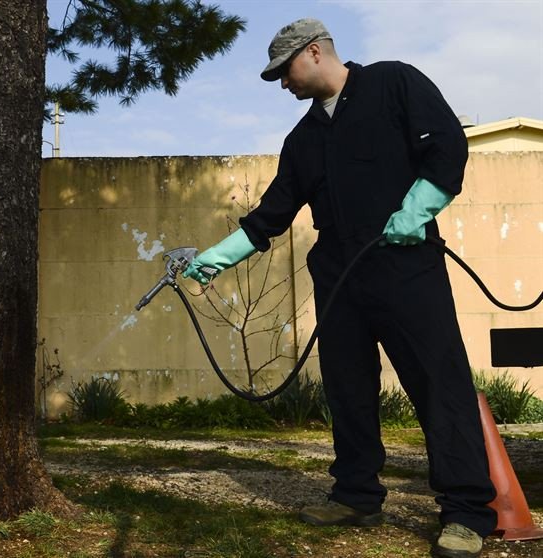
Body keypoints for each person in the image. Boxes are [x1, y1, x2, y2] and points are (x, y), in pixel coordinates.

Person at [184, 18, 497, 558]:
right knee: (347, 390)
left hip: (406, 265)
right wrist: (214, 260)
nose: (283, 85)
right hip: (338, 275)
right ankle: (356, 495)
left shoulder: (395, 83)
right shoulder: (302, 139)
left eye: (284, 73)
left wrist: (415, 211)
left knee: (438, 386)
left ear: (313, 53)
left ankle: (467, 513)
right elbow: (271, 216)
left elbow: (446, 148)